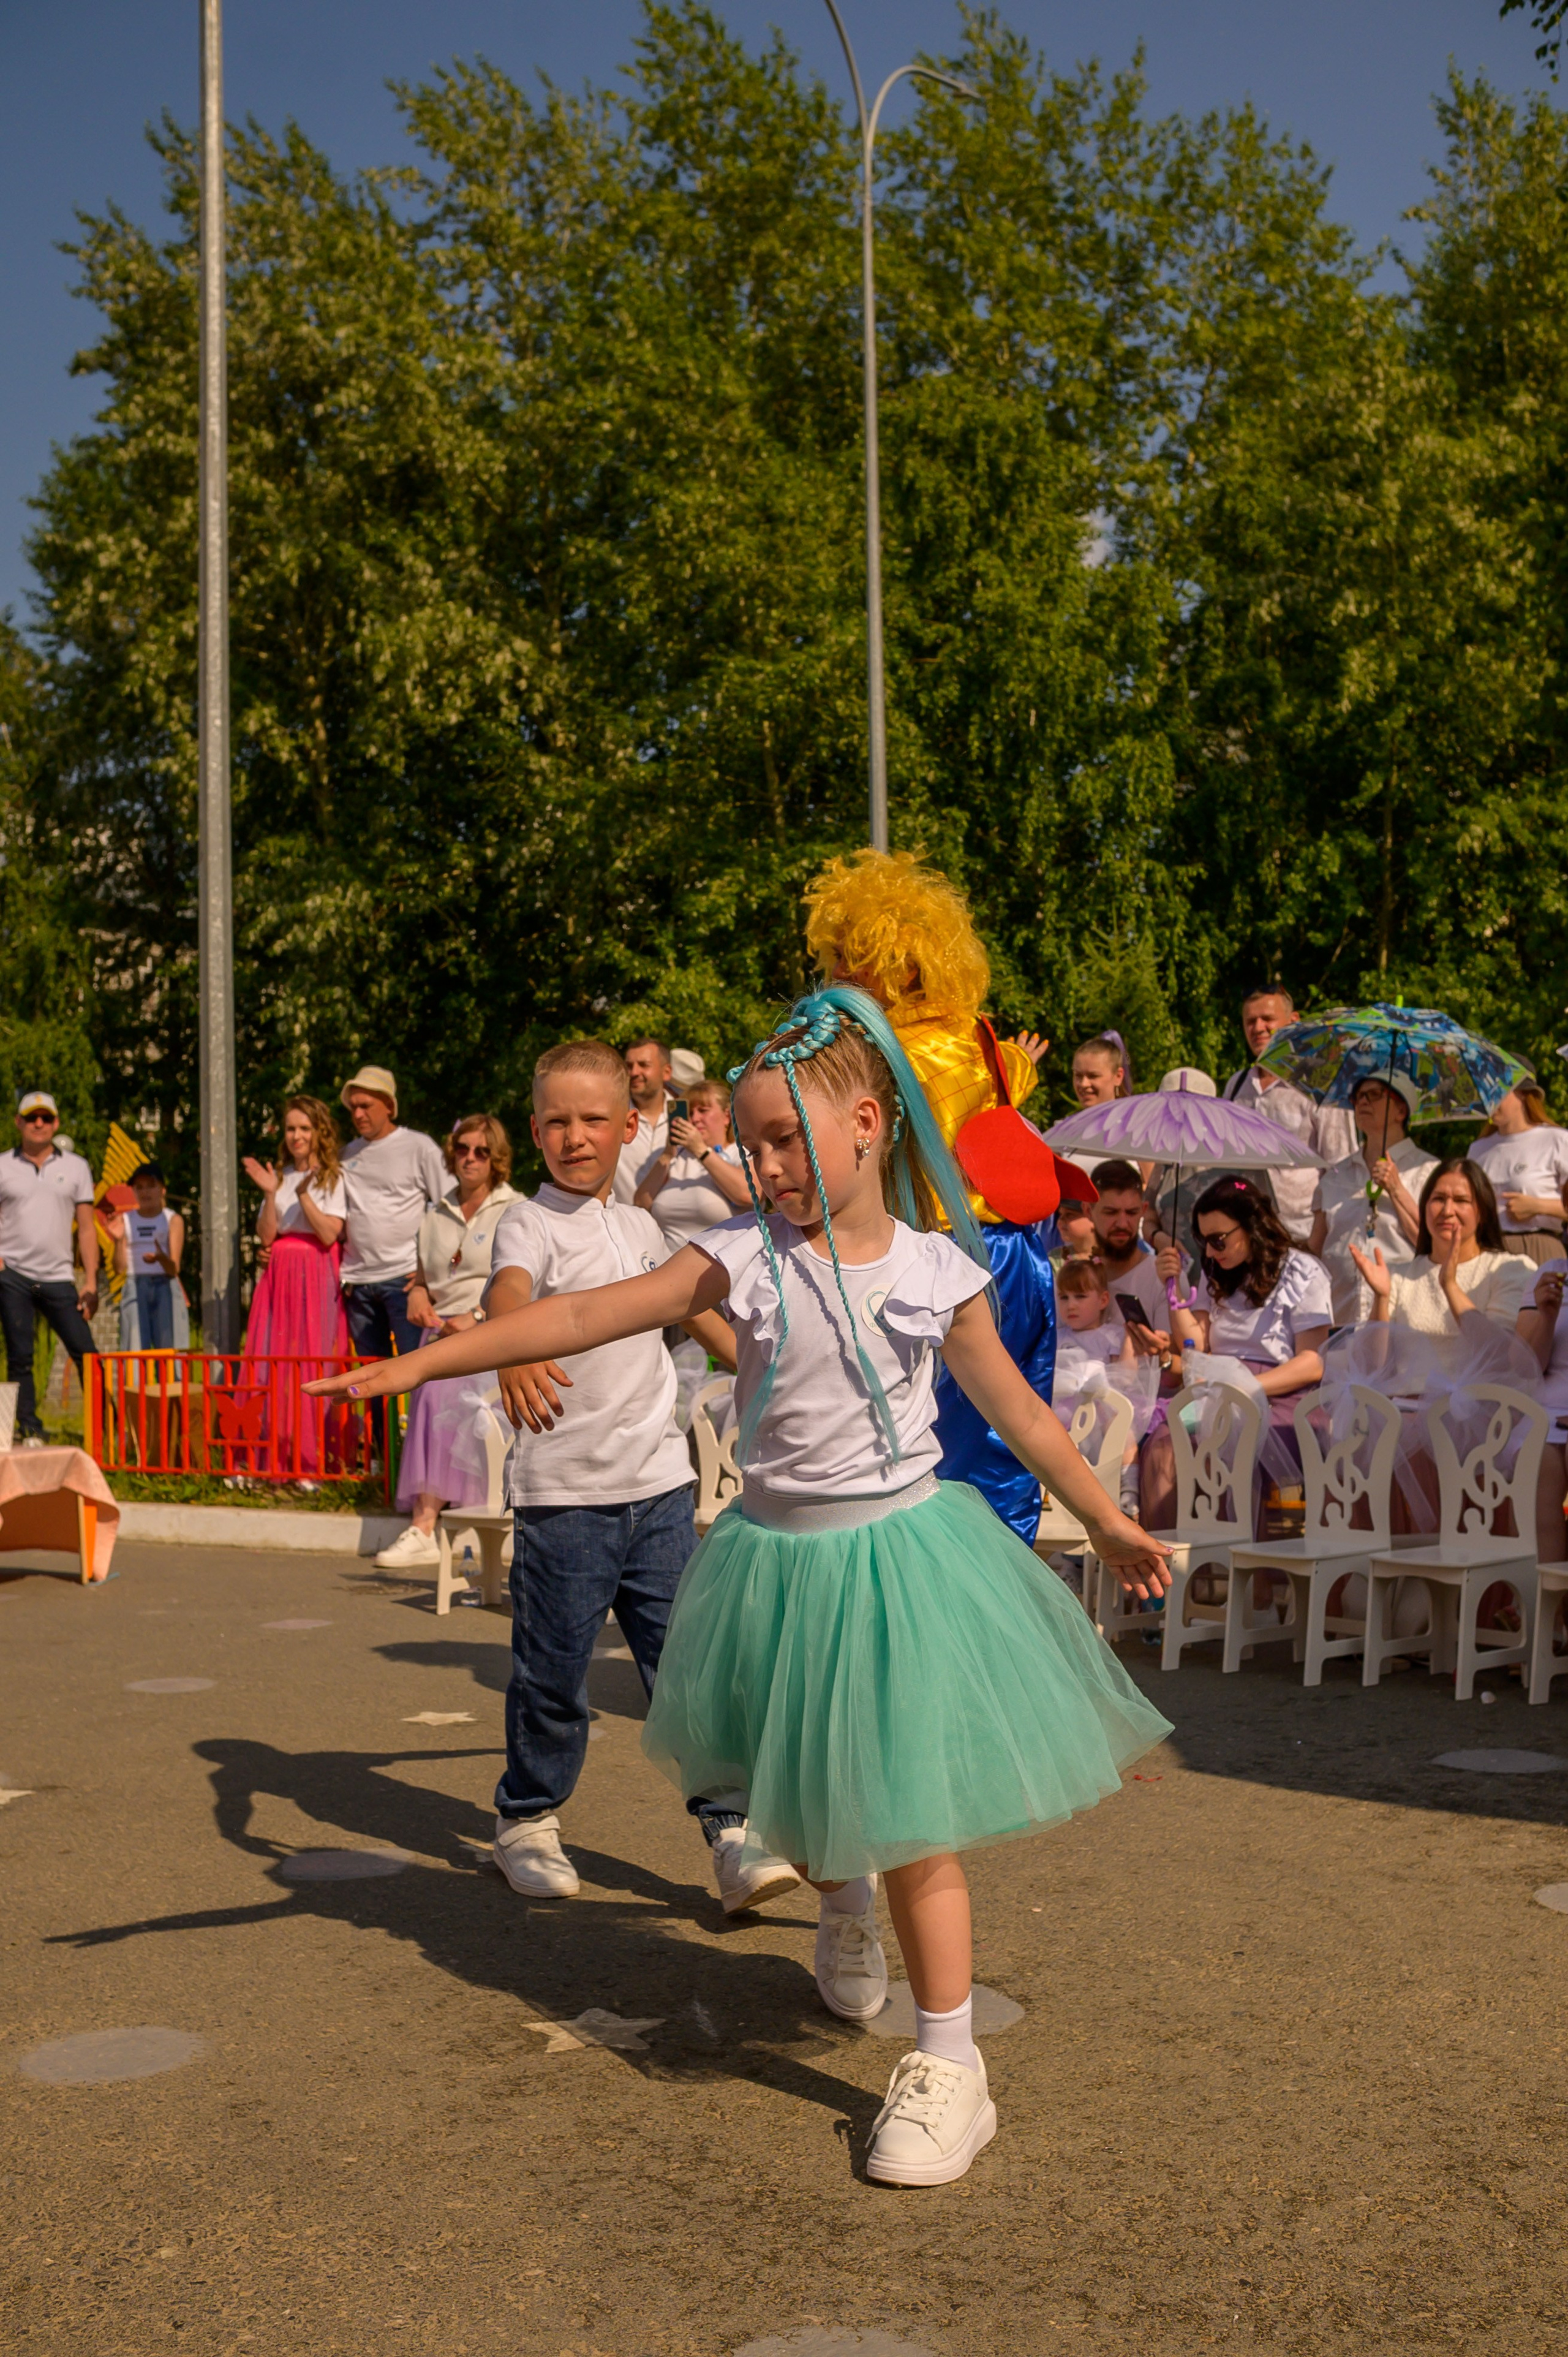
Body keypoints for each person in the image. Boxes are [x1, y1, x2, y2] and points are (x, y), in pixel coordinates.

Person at [306, 987, 1173, 2188]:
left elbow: (1023, 1415)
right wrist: (427, 1362)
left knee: (915, 1821)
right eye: (753, 1144)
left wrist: (1110, 1519)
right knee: (801, 1804)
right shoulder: (742, 1259)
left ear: (867, 1124)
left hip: (899, 1566)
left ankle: (948, 2062)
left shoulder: (935, 1270)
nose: (762, 1166)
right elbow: (582, 1312)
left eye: (783, 1141)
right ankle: (841, 1904)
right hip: (776, 1568)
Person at [459, 1038, 794, 1922]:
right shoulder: (529, 1222)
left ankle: (731, 1830)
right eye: (556, 1121)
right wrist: (510, 1346)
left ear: (626, 1127)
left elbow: (704, 1318)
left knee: (688, 1671)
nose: (575, 1136)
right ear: (535, 1130)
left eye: (593, 1119)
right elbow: (507, 1291)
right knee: (553, 1676)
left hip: (659, 1490)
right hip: (565, 1498)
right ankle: (526, 1818)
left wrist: (771, 1372)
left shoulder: (646, 1229)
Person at [802, 849, 1057, 1544]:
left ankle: (939, 1590)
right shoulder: (975, 1038)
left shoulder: (878, 1057)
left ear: (901, 963)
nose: (837, 974)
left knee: (929, 1451)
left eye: (853, 957)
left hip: (943, 1259)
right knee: (1010, 1441)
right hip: (1018, 1256)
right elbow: (1010, 1076)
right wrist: (1023, 1061)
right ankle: (1005, 1582)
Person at [1145, 1175, 1333, 1533]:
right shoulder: (1216, 1272)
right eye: (1203, 1241)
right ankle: (1170, 1560)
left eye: (1218, 1240)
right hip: (1219, 1392)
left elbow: (1312, 1363)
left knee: (1243, 1448)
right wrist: (1172, 1288)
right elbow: (1195, 1343)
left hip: (1281, 1394)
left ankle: (1251, 1564)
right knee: (1164, 1445)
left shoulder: (1302, 1270)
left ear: (1251, 1226)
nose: (1210, 1252)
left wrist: (1247, 1386)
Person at [375, 1114, 519, 1570]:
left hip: (493, 1331)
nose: (470, 1158)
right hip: (440, 1331)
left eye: (481, 1151)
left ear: (496, 1159)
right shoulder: (434, 1213)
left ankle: (460, 1530)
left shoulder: (515, 1208)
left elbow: (522, 1281)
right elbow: (421, 1278)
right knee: (430, 1393)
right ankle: (424, 1528)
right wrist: (417, 1294)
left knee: (459, 1404)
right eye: (462, 1149)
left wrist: (477, 1316)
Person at [243, 1096, 350, 1478]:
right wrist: (271, 1193)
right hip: (279, 1276)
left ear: (319, 1132)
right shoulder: (281, 1176)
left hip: (316, 1274)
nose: (297, 1136)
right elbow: (266, 1236)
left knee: (313, 1361)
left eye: (305, 1128)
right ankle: (272, 1455)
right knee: (274, 1360)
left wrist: (304, 1194)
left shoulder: (332, 1178)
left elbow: (328, 1234)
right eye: (291, 1129)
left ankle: (310, 1460)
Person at [1348, 1159, 1535, 1363]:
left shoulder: (1509, 1269)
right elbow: (1371, 1367)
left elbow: (1501, 1356)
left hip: (1481, 1385)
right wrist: (1381, 1298)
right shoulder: (1398, 1276)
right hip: (1407, 1386)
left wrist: (1450, 1286)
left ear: (1482, 1212)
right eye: (1439, 1199)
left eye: (1461, 1201)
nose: (1447, 1211)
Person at [0, 1091, 99, 1444]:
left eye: (45, 1118)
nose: (38, 1124)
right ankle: (29, 1429)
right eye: (31, 1118)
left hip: (59, 1277)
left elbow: (87, 1228)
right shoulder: (2, 1165)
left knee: (86, 1353)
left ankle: (106, 1431)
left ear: (56, 1123)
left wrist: (91, 1281)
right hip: (13, 1275)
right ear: (19, 1122)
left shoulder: (77, 1167)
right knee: (20, 1355)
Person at [1221, 988, 1356, 1245]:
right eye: (1250, 1021)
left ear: (1294, 1021)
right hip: (1248, 1237)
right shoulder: (1237, 1086)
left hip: (1304, 1237)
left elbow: (1341, 1169)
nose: (1258, 1028)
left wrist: (1318, 1242)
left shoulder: (1320, 1085)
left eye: (1267, 1019)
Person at [336, 1067, 447, 1369]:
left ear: (388, 1105)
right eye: (353, 1107)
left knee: (418, 1371)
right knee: (371, 1379)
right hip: (358, 1282)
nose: (358, 1114)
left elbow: (448, 1209)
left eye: (365, 1106)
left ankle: (416, 1408)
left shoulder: (419, 1147)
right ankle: (380, 1408)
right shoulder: (344, 1155)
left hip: (405, 1280)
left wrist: (428, 1272)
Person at [1308, 1075, 1437, 1325]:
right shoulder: (1335, 1176)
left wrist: (1396, 1190)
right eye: (1358, 1097)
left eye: (1375, 1094)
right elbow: (1315, 1249)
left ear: (1401, 1111)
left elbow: (1434, 1246)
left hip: (1402, 1318)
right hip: (1341, 1317)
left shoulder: (1429, 1172)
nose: (1363, 1102)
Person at [632, 1077, 752, 1250]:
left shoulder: (741, 1152)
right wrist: (667, 1155)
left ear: (726, 1117)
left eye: (703, 1111)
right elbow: (640, 1204)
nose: (695, 1119)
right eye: (690, 1113)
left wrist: (701, 1150)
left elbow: (747, 1195)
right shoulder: (676, 1158)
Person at [1469, 1085, 1568, 1265]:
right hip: (1486, 1250)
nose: (1489, 1102)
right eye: (1484, 1095)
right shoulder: (1477, 1149)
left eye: (1496, 1093)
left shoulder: (1557, 1140)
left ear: (1522, 1093)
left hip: (1539, 1248)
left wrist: (1537, 1206)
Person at [118, 1162, 184, 1347]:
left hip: (165, 1284)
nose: (145, 1192)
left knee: (168, 1348)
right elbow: (119, 1268)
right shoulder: (125, 1220)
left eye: (151, 1186)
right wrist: (117, 1241)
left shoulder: (173, 1220)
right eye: (139, 1187)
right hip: (134, 1283)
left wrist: (161, 1258)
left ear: (162, 1190)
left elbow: (174, 1269)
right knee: (135, 1349)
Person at [611, 1038, 673, 1205]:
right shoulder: (612, 1118)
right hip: (621, 1219)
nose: (634, 1072)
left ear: (666, 1072)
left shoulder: (688, 1118)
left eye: (644, 1065)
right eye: (629, 1066)